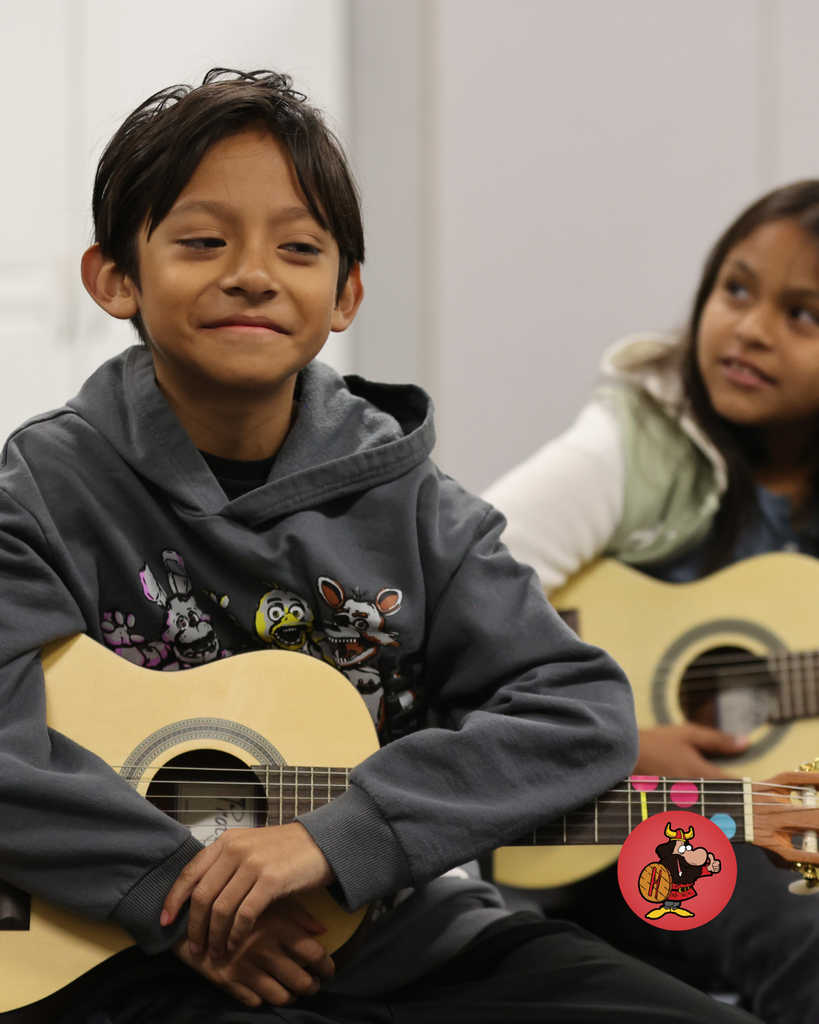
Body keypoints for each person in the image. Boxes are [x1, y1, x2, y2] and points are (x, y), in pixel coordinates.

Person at [0, 68, 760, 1024]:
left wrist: (338, 839)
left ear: (346, 291)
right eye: (201, 241)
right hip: (121, 949)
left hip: (402, 929)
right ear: (116, 277)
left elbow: (579, 710)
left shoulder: (413, 500)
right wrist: (176, 895)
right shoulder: (41, 490)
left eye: (298, 247)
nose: (251, 272)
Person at [484, 180, 819, 1024]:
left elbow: (758, 705)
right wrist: (618, 736)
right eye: (735, 289)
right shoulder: (636, 442)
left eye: (801, 315)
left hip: (780, 817)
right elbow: (462, 591)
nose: (748, 328)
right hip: (613, 830)